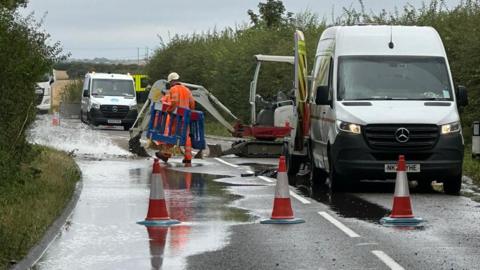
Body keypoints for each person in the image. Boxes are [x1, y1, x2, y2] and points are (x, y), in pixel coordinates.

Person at [156, 72, 195, 163]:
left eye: (170, 82)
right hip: (185, 118)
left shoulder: (173, 89)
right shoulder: (187, 90)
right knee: (186, 136)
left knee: (172, 135)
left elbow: (174, 102)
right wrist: (190, 112)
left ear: (172, 81)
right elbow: (192, 103)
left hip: (176, 117)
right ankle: (188, 157)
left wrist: (169, 111)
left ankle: (166, 154)